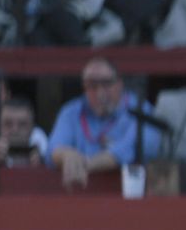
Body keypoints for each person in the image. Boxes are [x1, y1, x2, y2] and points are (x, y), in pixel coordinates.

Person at [49, 57, 164, 185]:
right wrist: (66, 155)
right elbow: (54, 149)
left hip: (127, 193)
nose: (100, 93)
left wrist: (86, 164)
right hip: (79, 193)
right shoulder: (71, 111)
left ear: (120, 83)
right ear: (84, 87)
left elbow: (131, 150)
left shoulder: (141, 110)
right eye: (92, 85)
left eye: (107, 84)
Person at [0, 97, 46, 166]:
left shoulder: (46, 156)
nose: (15, 130)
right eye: (8, 124)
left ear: (32, 128)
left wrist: (43, 164)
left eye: (22, 124)